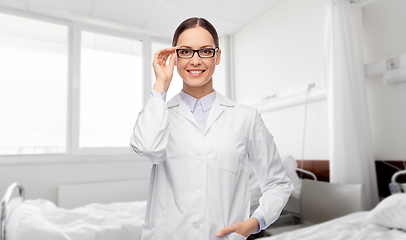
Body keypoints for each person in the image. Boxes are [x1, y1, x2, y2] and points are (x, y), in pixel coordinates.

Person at [130, 17, 293, 240]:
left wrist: (255, 222)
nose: (195, 60)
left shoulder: (246, 117)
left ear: (217, 57)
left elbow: (277, 183)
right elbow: (148, 148)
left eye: (205, 51)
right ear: (175, 58)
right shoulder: (159, 112)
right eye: (186, 52)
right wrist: (160, 85)